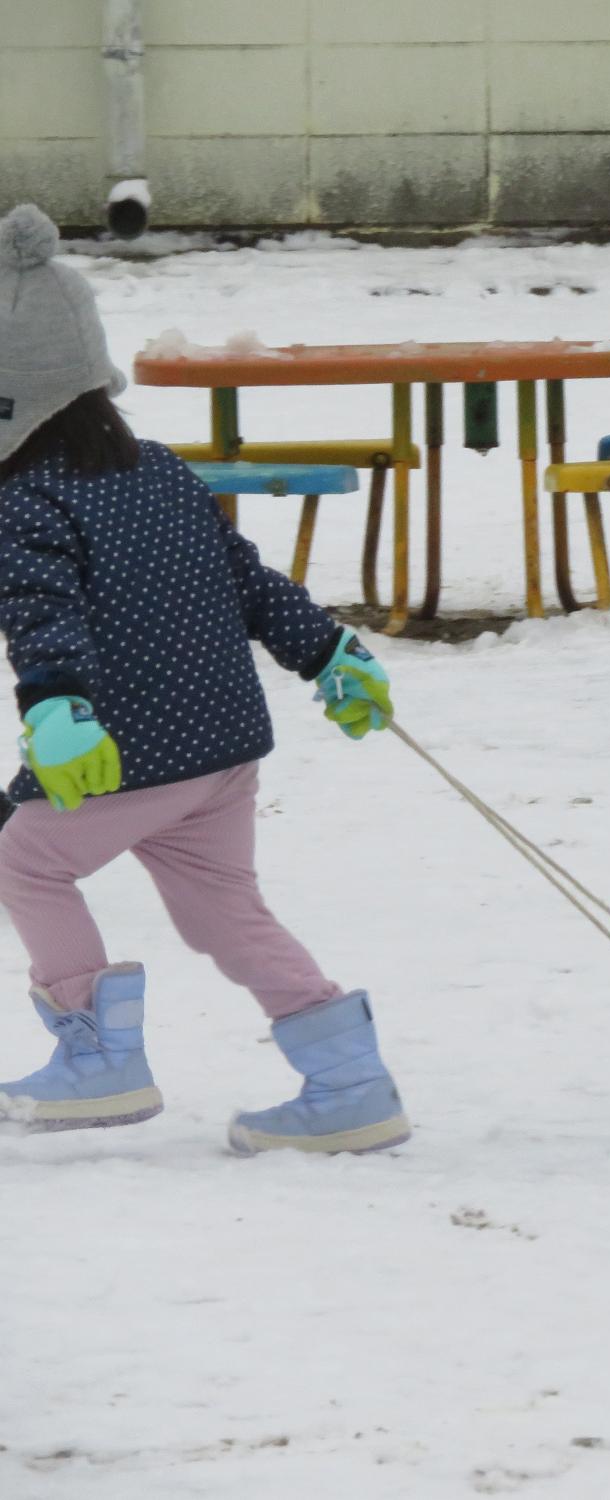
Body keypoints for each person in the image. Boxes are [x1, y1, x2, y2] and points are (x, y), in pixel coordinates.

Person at [0, 203, 409, 1155]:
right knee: (223, 911)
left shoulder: (25, 495)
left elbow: (39, 605)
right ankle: (348, 1078)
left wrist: (59, 705)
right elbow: (246, 580)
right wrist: (329, 654)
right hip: (221, 746)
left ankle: (98, 1057)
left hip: (135, 746)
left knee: (24, 856)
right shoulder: (159, 467)